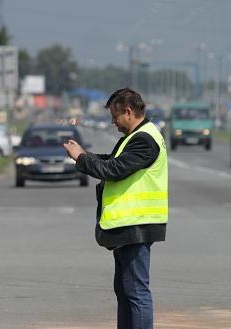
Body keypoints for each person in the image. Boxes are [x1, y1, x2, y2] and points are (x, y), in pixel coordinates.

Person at [63, 88, 167, 329]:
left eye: (115, 116)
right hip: (127, 224)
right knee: (124, 288)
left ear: (129, 112)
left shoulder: (144, 140)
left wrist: (81, 159)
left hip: (137, 224)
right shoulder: (135, 137)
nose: (113, 122)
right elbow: (113, 161)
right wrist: (84, 155)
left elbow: (113, 170)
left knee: (136, 291)